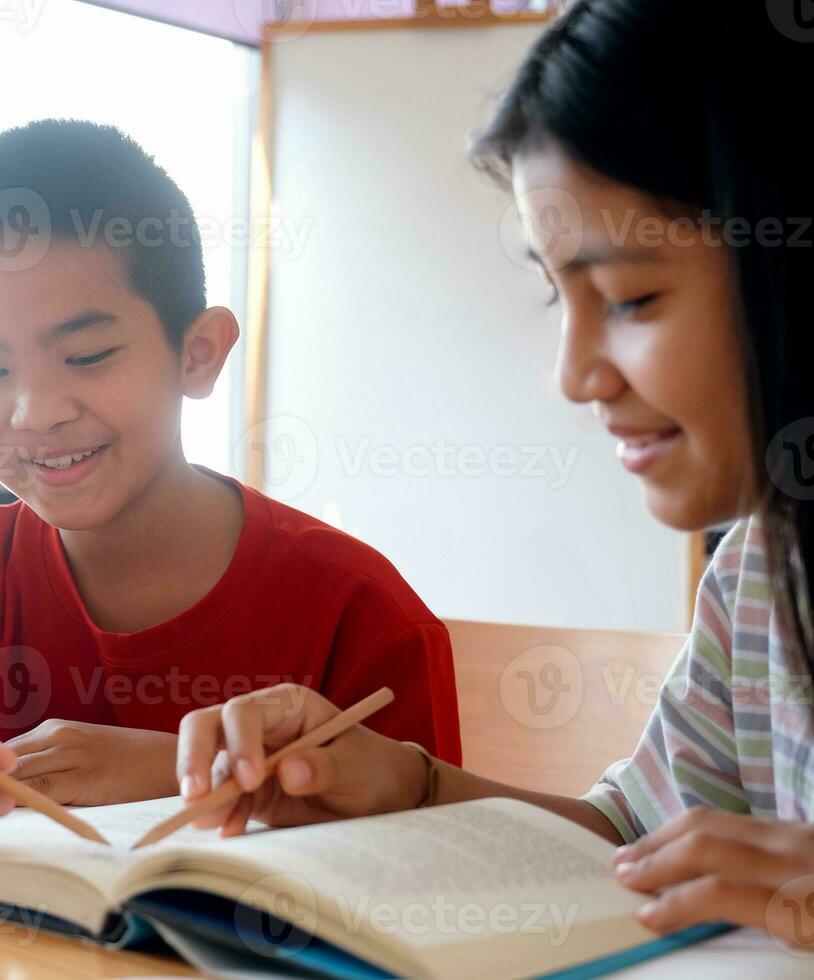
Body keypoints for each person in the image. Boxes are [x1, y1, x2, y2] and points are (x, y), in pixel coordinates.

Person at [174, 0, 814, 948]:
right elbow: (637, 844)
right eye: (560, 296)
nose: (574, 376)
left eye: (632, 297)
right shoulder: (760, 576)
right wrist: (408, 785)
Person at [0, 120, 461, 863]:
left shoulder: (358, 610)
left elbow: (440, 868)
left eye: (86, 355)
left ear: (199, 353)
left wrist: (168, 772)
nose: (36, 411)